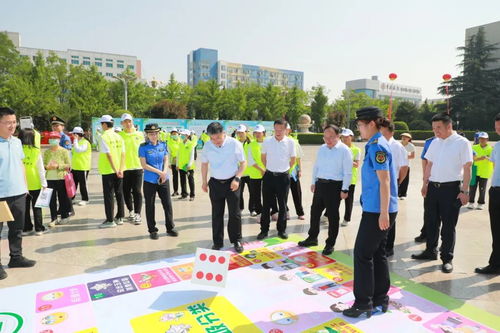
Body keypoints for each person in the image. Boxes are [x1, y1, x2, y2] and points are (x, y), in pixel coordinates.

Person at [342, 107, 398, 318]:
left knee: (362, 254)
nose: (359, 129)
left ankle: (363, 302)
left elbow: (384, 180)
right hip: (379, 208)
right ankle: (380, 298)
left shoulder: (377, 145)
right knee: (377, 253)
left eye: (360, 125)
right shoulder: (376, 144)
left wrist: (383, 213)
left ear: (371, 124)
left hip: (378, 211)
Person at [411, 113, 472, 273]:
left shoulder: (462, 143)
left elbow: (467, 168)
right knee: (431, 222)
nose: (435, 131)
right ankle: (430, 251)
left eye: (438, 128)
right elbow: (429, 164)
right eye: (433, 128)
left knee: (448, 225)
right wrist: (425, 183)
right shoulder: (435, 142)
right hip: (433, 188)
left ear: (449, 126)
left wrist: (465, 191)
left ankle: (447, 258)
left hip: (451, 189)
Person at [298, 125, 352, 255]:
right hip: (320, 184)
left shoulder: (345, 150)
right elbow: (316, 166)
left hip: (335, 186)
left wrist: (345, 189)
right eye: (325, 137)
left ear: (338, 136)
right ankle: (312, 237)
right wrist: (313, 182)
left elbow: (348, 172)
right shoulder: (322, 148)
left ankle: (330, 244)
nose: (328, 140)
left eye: (331, 137)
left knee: (333, 216)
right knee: (314, 212)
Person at [0, 107, 36, 280]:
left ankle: (16, 257)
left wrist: (25, 186)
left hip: (19, 193)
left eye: (14, 122)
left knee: (17, 229)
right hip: (1, 195)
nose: (12, 126)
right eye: (8, 122)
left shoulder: (16, 142)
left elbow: (21, 164)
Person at [201, 122, 246, 253]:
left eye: (218, 138)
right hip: (215, 183)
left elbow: (243, 163)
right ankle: (217, 242)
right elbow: (204, 164)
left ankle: (236, 240)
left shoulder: (234, 144)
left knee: (234, 214)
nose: (215, 141)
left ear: (224, 133)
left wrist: (237, 178)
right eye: (212, 138)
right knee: (216, 214)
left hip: (232, 183)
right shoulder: (208, 146)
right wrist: (204, 181)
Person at [139, 123, 178, 240]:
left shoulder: (163, 144)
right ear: (147, 134)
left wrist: (164, 172)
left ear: (158, 133)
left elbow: (166, 159)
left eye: (155, 133)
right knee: (150, 206)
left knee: (167, 204)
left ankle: (170, 227)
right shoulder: (143, 147)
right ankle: (152, 230)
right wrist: (159, 172)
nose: (153, 135)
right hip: (150, 180)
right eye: (151, 133)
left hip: (163, 179)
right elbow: (144, 165)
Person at [258, 119, 296, 240]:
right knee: (266, 205)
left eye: (281, 130)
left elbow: (293, 159)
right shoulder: (267, 141)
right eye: (276, 129)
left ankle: (282, 230)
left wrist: (285, 170)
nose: (278, 132)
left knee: (282, 205)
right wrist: (268, 168)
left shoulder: (290, 142)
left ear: (286, 130)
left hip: (283, 177)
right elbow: (263, 157)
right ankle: (264, 230)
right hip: (269, 176)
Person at [475, 113, 500, 275]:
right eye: (496, 127)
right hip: (496, 191)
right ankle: (495, 263)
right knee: (496, 229)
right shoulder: (497, 145)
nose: (498, 130)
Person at [380, 120, 409, 257]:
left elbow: (404, 167)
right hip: (379, 184)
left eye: (382, 130)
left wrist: (397, 183)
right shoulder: (378, 144)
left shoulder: (397, 146)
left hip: (391, 183)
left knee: (390, 215)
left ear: (390, 131)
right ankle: (380, 244)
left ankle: (389, 247)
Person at [97, 115, 126, 228]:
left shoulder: (104, 137)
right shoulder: (119, 137)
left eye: (101, 124)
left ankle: (110, 220)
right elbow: (123, 154)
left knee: (109, 195)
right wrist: (120, 169)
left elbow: (108, 155)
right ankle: (120, 217)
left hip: (109, 170)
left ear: (104, 124)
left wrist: (115, 170)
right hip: (119, 170)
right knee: (119, 193)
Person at [19, 128, 48, 235]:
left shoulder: (17, 150)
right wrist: (44, 183)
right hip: (35, 183)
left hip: (21, 184)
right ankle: (39, 229)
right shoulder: (36, 151)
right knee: (37, 207)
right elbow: (41, 169)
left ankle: (26, 228)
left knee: (25, 208)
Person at [119, 113, 144, 224]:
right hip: (124, 168)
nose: (128, 124)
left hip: (138, 167)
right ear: (122, 123)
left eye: (129, 121)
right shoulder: (119, 136)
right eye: (125, 122)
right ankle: (131, 211)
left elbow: (144, 151)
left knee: (137, 191)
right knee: (126, 191)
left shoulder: (140, 134)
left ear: (132, 122)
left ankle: (138, 214)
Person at [44, 131, 72, 226]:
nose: (53, 140)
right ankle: (53, 218)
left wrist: (58, 166)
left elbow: (68, 165)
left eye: (55, 138)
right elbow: (43, 164)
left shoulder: (64, 151)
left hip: (61, 178)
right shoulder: (47, 152)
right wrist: (47, 167)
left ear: (59, 140)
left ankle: (64, 216)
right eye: (51, 139)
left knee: (62, 198)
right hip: (49, 178)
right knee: (51, 200)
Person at [414, 136, 436, 243]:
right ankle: (425, 233)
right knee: (428, 210)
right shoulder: (429, 142)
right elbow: (424, 160)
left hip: (447, 182)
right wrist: (425, 178)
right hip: (430, 180)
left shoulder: (456, 141)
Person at [340, 128, 361, 226]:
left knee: (349, 200)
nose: (344, 139)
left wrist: (347, 161)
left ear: (351, 137)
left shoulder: (356, 150)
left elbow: (356, 164)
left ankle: (347, 218)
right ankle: (327, 215)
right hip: (339, 177)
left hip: (350, 179)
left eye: (346, 137)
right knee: (335, 198)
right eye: (343, 137)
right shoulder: (338, 148)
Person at [468, 132, 493, 210]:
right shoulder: (474, 147)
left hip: (485, 172)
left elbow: (493, 159)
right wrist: (480, 158)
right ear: (478, 139)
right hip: (474, 170)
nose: (482, 140)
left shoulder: (491, 149)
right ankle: (471, 202)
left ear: (487, 139)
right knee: (472, 188)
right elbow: (471, 158)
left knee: (482, 189)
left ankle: (480, 203)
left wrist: (488, 158)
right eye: (481, 138)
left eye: (484, 139)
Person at [246, 125, 266, 217]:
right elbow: (250, 160)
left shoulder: (268, 143)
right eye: (256, 133)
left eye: (259, 133)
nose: (258, 134)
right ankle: (259, 212)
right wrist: (261, 169)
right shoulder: (251, 145)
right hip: (255, 173)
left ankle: (268, 211)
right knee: (256, 194)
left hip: (268, 172)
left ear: (263, 133)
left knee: (267, 193)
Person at [287, 123, 305, 220]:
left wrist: (300, 170)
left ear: (289, 131)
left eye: (286, 129)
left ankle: (300, 212)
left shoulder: (294, 142)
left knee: (297, 193)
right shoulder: (276, 141)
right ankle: (286, 211)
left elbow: (298, 158)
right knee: (282, 194)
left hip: (293, 172)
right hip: (282, 173)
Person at [71, 126, 91, 206]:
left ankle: (85, 199)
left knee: (83, 184)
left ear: (77, 134)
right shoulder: (77, 142)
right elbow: (73, 153)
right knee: (73, 184)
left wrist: (75, 140)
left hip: (83, 167)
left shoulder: (85, 142)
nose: (73, 136)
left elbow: (78, 150)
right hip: (75, 167)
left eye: (74, 134)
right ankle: (72, 198)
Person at [177, 129, 197, 201]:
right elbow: (178, 154)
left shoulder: (191, 144)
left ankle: (192, 195)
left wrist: (189, 164)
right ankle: (184, 194)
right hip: (181, 166)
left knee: (190, 180)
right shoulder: (180, 144)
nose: (181, 136)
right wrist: (177, 164)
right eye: (181, 135)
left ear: (187, 136)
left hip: (189, 166)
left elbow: (192, 156)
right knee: (182, 181)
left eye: (183, 135)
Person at [236, 125, 251, 212]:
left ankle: (252, 209)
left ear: (246, 132)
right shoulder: (235, 143)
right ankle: (240, 208)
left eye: (242, 132)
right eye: (239, 133)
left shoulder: (251, 143)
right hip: (239, 172)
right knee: (239, 192)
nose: (240, 134)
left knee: (252, 192)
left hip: (250, 172)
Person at [399, 132, 415, 199]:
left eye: (406, 137)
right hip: (398, 164)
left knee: (405, 179)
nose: (404, 138)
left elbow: (412, 156)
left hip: (406, 165)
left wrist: (404, 156)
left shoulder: (411, 146)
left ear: (409, 139)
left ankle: (403, 194)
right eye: (403, 136)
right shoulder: (398, 144)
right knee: (397, 178)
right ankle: (397, 193)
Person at [167, 128, 181, 197]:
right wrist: (169, 163)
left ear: (178, 134)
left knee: (183, 176)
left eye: (175, 133)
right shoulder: (169, 142)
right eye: (173, 133)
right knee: (175, 176)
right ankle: (175, 191)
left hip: (181, 160)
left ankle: (184, 191)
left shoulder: (181, 140)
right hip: (174, 161)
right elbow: (169, 153)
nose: (174, 134)